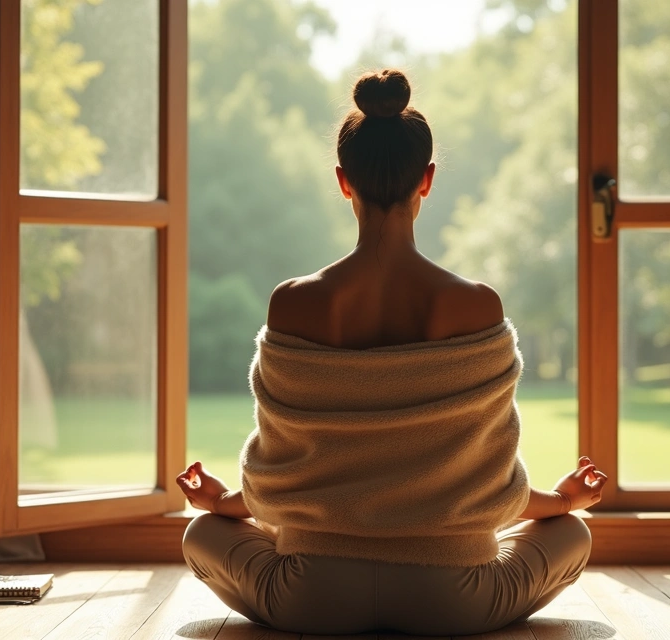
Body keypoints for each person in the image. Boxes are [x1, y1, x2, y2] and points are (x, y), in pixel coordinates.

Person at [176, 69, 608, 636]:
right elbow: (482, 482)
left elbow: (291, 478)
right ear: (427, 179)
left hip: (313, 595)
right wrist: (562, 502)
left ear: (343, 181)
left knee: (201, 535)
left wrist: (224, 503)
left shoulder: (292, 304)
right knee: (573, 534)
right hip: (455, 600)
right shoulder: (477, 305)